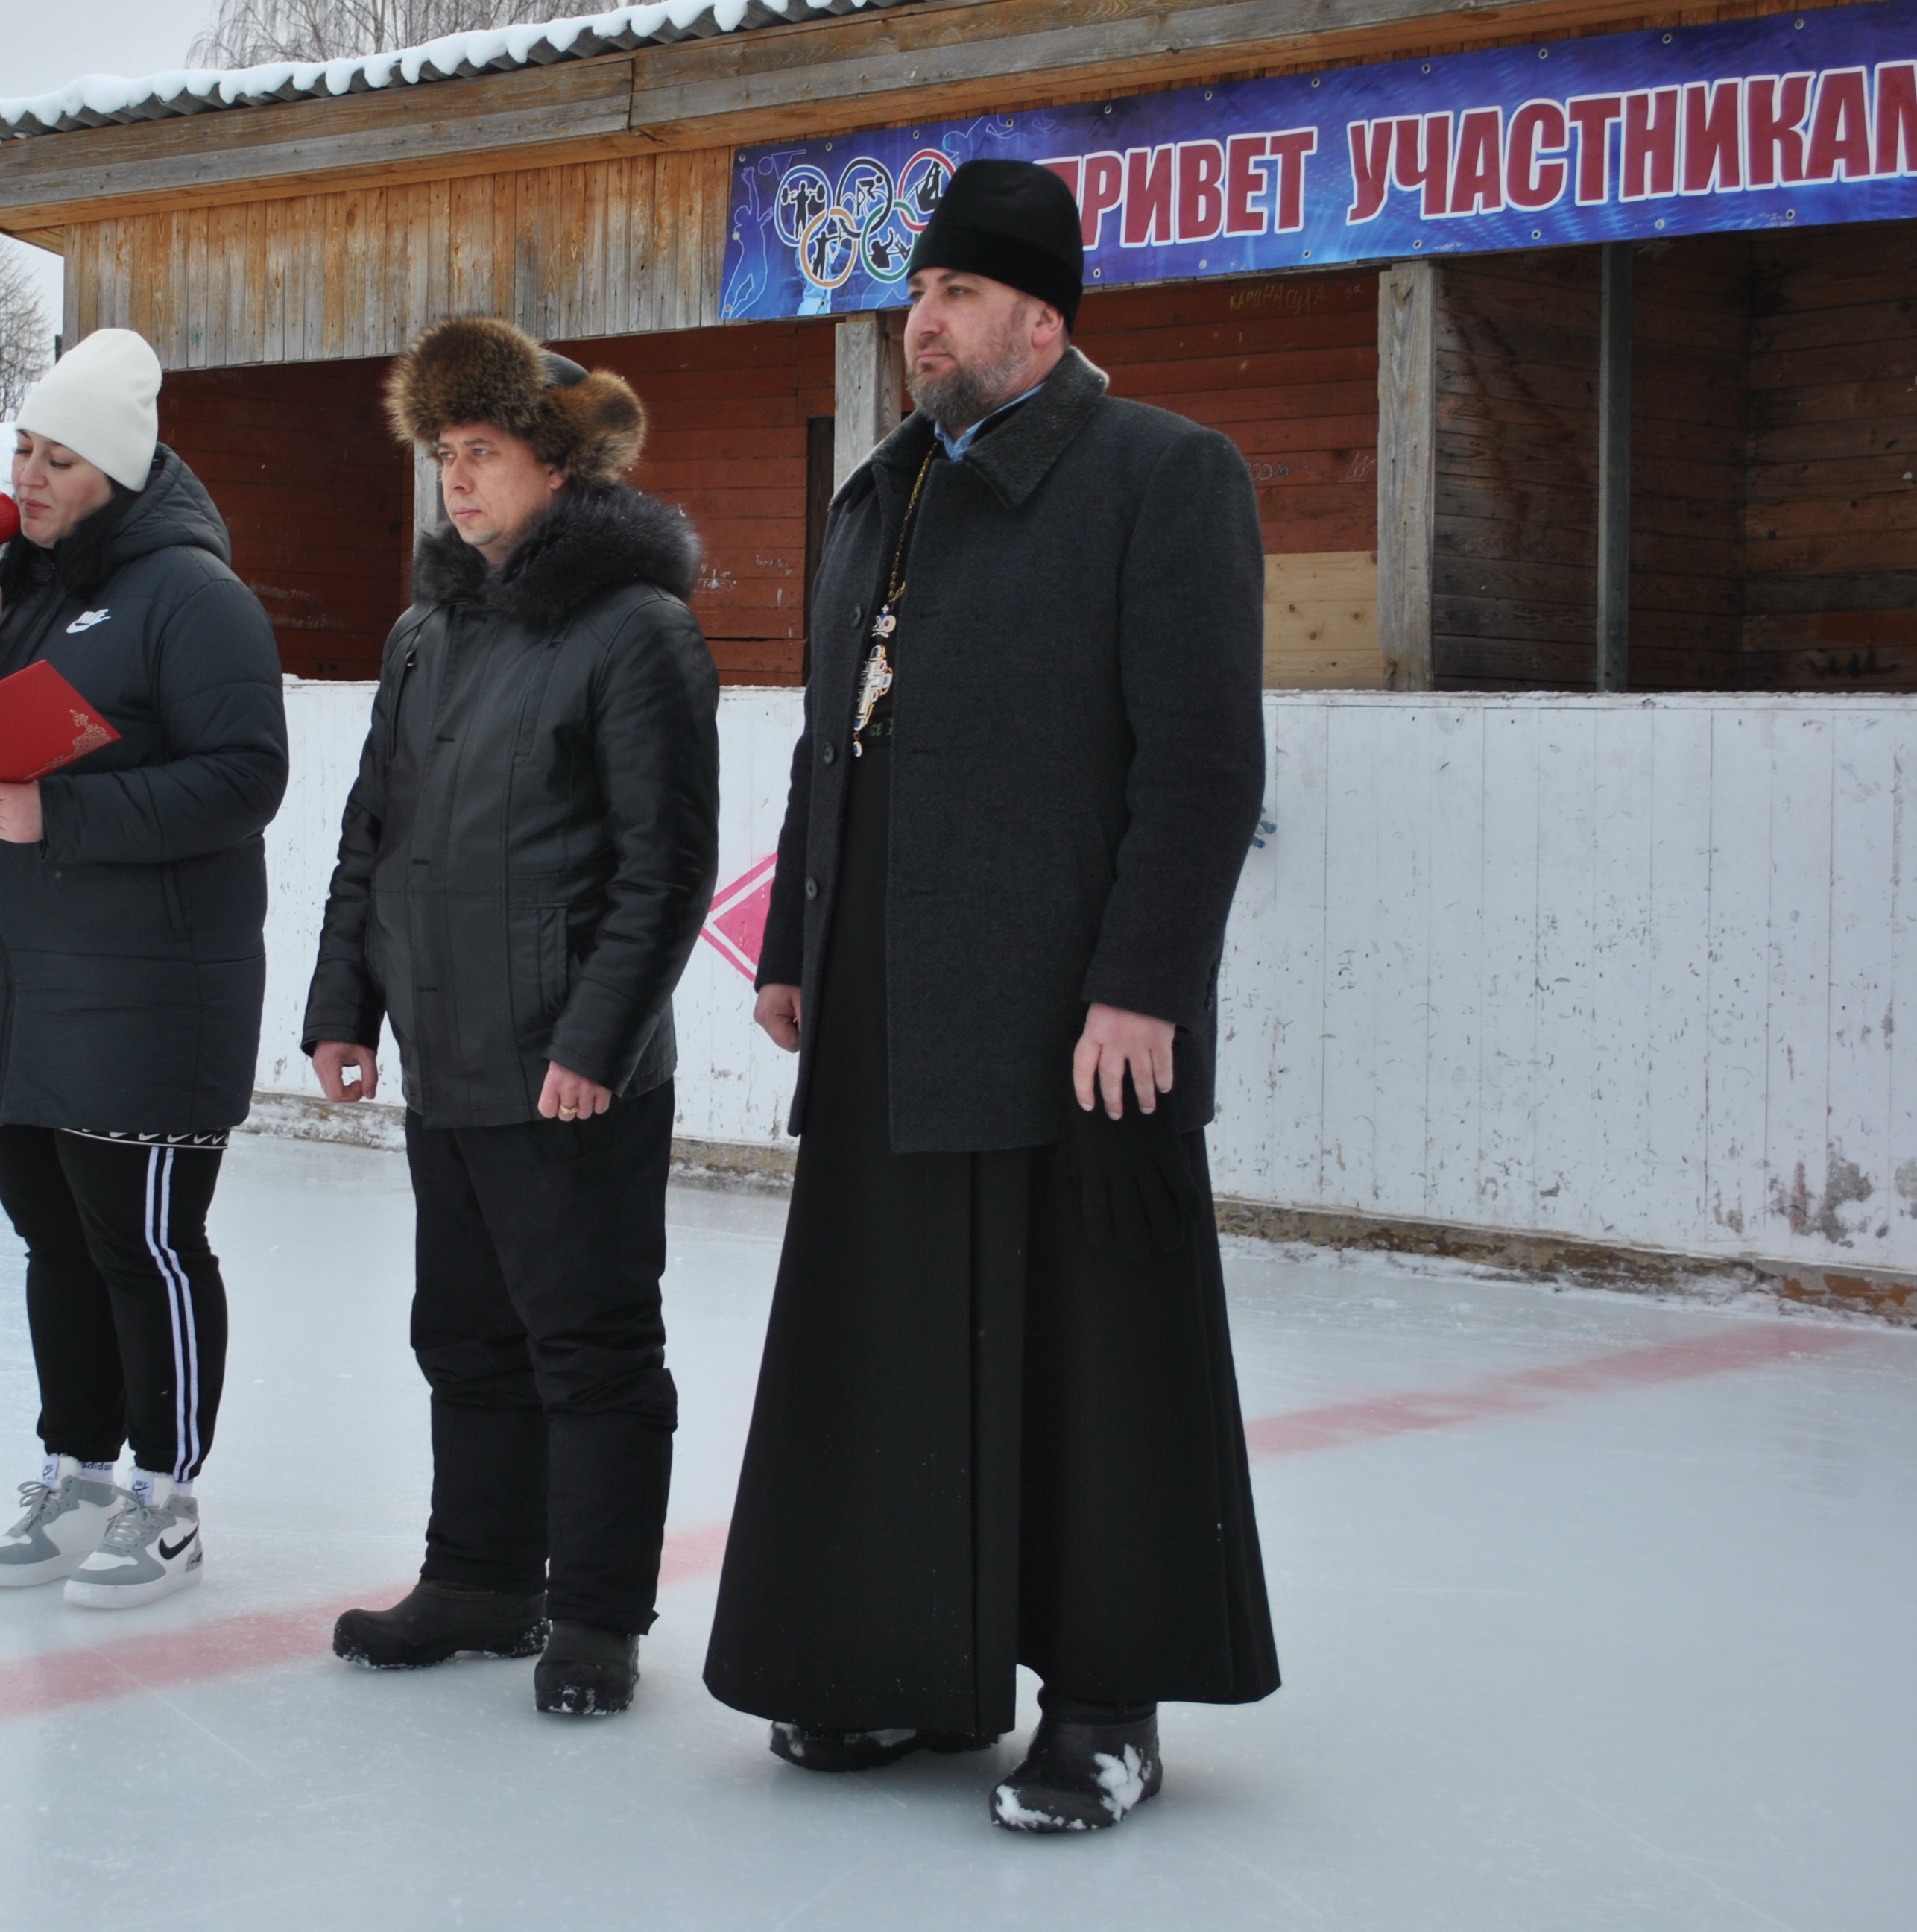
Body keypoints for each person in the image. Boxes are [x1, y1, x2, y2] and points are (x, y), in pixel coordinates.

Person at [701, 160, 1278, 1829]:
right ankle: (893, 1672)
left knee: (1093, 1367)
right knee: (887, 1356)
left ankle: (1104, 1706)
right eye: (916, 293)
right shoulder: (881, 492)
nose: (921, 320)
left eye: (954, 294)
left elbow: (1200, 764)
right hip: (887, 1012)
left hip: (1077, 1028)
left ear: (1041, 317)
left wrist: (1145, 989)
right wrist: (797, 945)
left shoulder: (1161, 476)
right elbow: (836, 737)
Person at [305, 317, 720, 1717]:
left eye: (481, 453)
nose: (456, 481)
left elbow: (664, 870)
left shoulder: (638, 631)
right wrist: (343, 1002)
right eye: (442, 454)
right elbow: (375, 832)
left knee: (592, 1350)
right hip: (450, 1058)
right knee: (464, 1337)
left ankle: (596, 1616)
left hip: (570, 1074)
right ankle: (481, 1579)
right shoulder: (425, 634)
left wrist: (593, 1048)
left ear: (558, 464)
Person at [0, 326, 287, 1611]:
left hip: (148, 998)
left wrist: (72, 816)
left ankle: (167, 1499)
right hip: (17, 991)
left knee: (144, 1248)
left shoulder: (192, 597)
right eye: (23, 448)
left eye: (59, 456)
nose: (30, 474)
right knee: (52, 1242)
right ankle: (78, 1474)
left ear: (114, 470)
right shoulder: (19, 589)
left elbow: (244, 779)